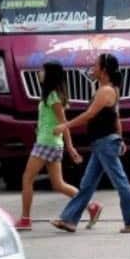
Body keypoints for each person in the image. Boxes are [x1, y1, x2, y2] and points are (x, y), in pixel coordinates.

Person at [51, 54, 130, 234]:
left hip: (105, 143)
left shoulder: (106, 91)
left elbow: (89, 115)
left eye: (95, 66)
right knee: (87, 184)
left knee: (120, 182)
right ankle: (69, 220)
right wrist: (120, 137)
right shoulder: (107, 89)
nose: (92, 68)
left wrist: (65, 125)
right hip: (102, 144)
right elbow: (116, 117)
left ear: (103, 70)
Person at [14, 62, 99, 231]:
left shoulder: (52, 96)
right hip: (52, 143)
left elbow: (63, 123)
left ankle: (25, 219)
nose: (39, 73)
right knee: (58, 184)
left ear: (50, 75)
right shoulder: (51, 95)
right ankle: (91, 206)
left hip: (46, 143)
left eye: (42, 70)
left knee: (27, 179)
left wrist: (70, 147)